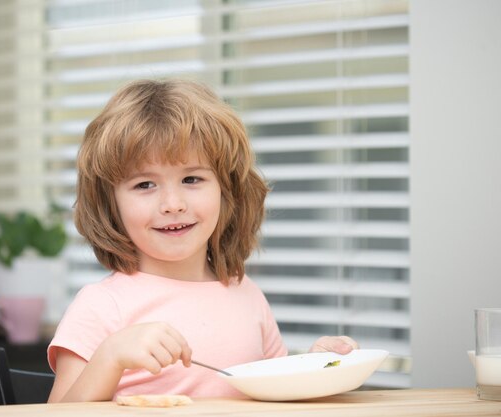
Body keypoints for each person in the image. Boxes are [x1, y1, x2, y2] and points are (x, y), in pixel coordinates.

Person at [47, 79, 359, 402]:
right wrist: (109, 358)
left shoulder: (247, 295)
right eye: (144, 185)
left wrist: (317, 367)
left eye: (191, 179)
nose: (173, 203)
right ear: (110, 204)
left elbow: (274, 397)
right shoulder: (100, 306)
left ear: (227, 191)